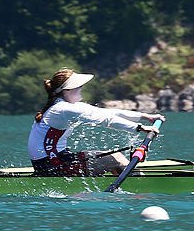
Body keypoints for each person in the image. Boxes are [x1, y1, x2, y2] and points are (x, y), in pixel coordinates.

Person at [28, 68, 166, 176]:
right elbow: (106, 120)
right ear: (67, 90)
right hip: (51, 165)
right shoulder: (62, 109)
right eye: (78, 86)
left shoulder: (66, 106)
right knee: (115, 158)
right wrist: (141, 128)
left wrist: (145, 116)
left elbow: (108, 113)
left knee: (113, 158)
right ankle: (140, 186)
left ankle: (128, 178)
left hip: (53, 160)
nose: (81, 88)